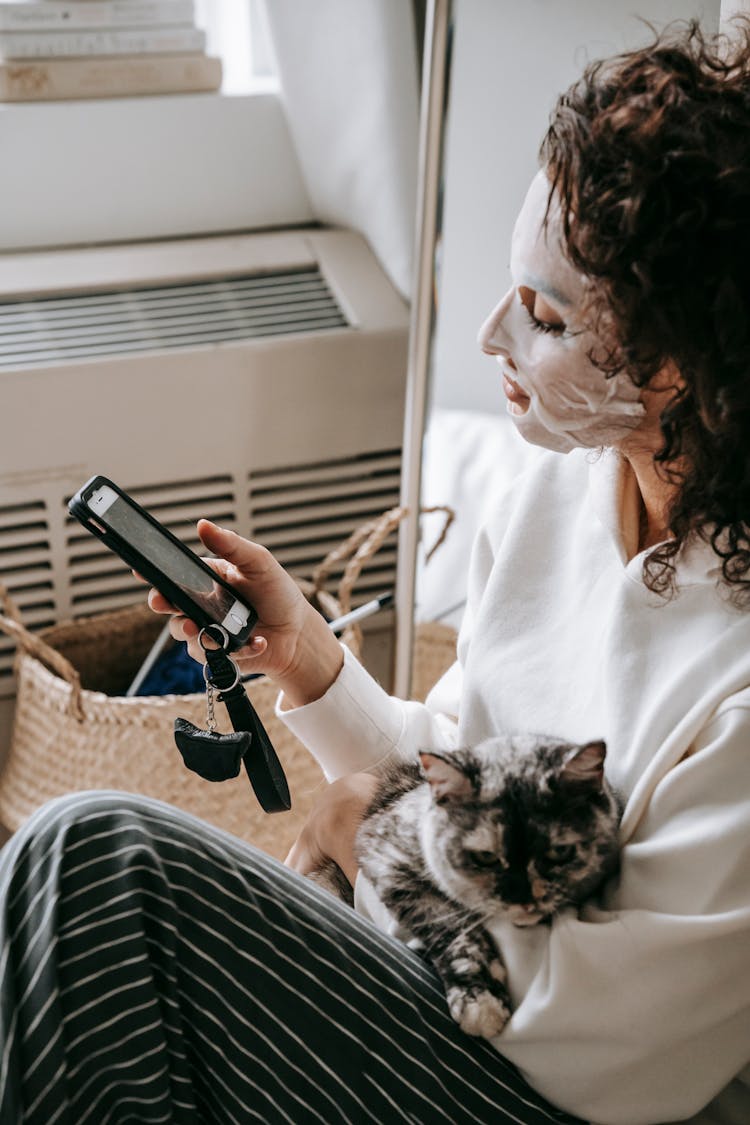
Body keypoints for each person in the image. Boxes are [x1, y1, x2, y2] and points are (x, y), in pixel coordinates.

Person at [2, 19, 749, 1125]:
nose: (492, 336)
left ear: (676, 365)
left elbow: (611, 1062)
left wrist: (364, 841)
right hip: (449, 984)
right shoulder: (562, 485)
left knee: (99, 860)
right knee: (83, 962)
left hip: (555, 1086)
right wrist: (306, 658)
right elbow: (452, 771)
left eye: (543, 316)